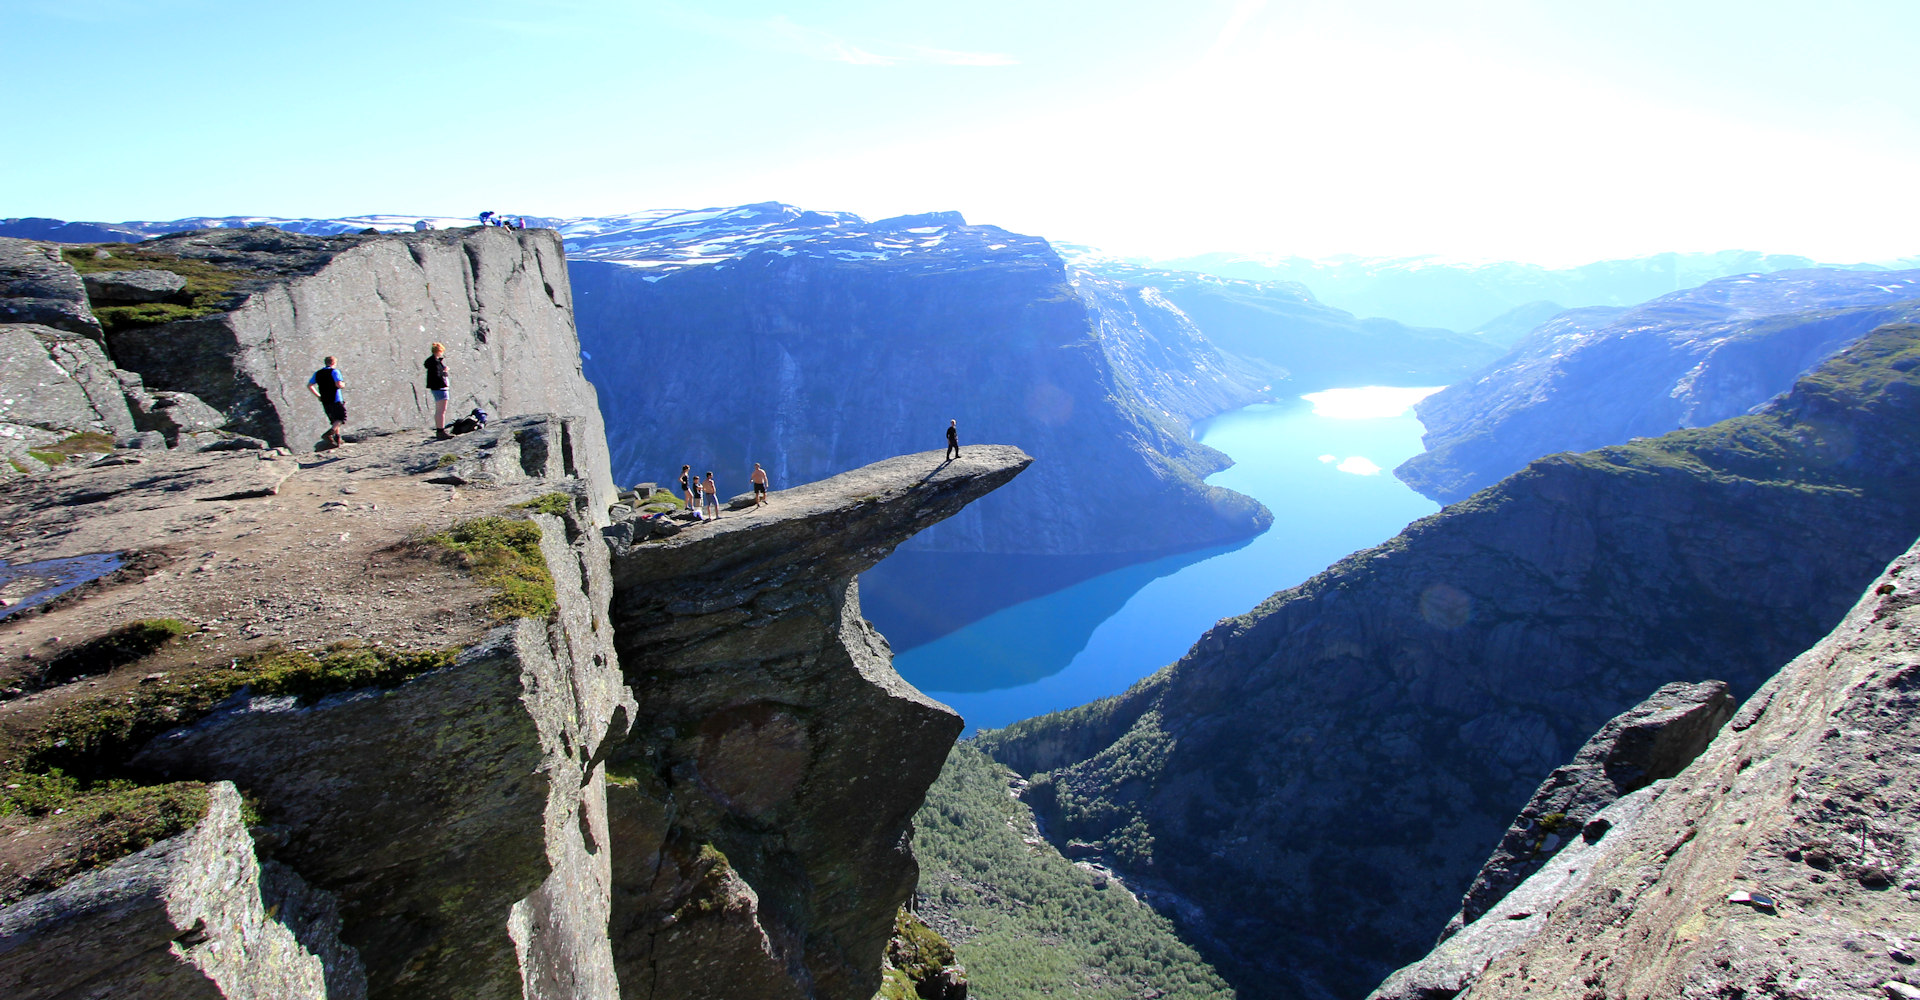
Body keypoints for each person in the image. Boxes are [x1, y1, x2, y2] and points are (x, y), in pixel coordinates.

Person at [308, 356, 347, 448]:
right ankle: (328, 434)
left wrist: (318, 396)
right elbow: (338, 384)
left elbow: (310, 385)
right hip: (336, 398)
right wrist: (343, 385)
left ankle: (337, 439)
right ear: (334, 363)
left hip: (325, 399)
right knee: (341, 418)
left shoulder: (318, 373)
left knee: (333, 419)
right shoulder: (335, 371)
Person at [425, 342, 451, 438]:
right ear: (439, 351)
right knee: (441, 411)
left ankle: (440, 430)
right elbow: (437, 376)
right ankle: (440, 431)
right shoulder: (435, 363)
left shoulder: (432, 362)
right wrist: (444, 371)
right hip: (440, 388)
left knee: (439, 410)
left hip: (436, 388)